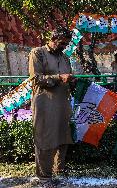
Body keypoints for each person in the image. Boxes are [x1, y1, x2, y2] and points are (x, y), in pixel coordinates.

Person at [28, 28, 74, 187]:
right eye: (62, 43)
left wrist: (72, 81)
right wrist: (58, 77)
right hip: (45, 104)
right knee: (45, 139)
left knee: (63, 137)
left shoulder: (65, 57)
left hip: (62, 102)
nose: (64, 46)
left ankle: (58, 170)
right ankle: (44, 177)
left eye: (66, 44)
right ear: (53, 38)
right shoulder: (38, 53)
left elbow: (67, 77)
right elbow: (36, 79)